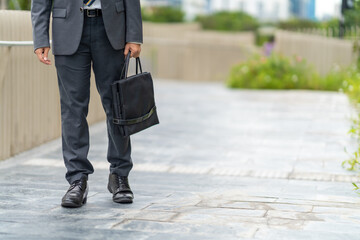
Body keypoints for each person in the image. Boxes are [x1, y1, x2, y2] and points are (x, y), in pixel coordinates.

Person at [31, 0, 143, 208]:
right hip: (67, 29)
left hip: (112, 30)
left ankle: (119, 176)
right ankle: (77, 180)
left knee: (116, 106)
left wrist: (134, 35)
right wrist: (40, 37)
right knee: (73, 109)